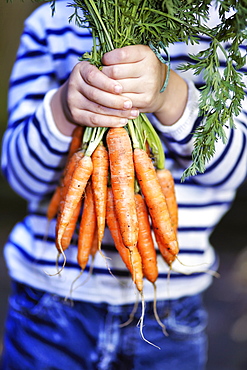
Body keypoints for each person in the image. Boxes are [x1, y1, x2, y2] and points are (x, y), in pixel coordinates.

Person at [1, 1, 247, 369]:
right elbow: (21, 178)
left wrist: (170, 94)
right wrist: (63, 109)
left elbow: (232, 169)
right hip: (48, 305)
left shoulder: (225, 28)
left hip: (171, 305)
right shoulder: (49, 25)